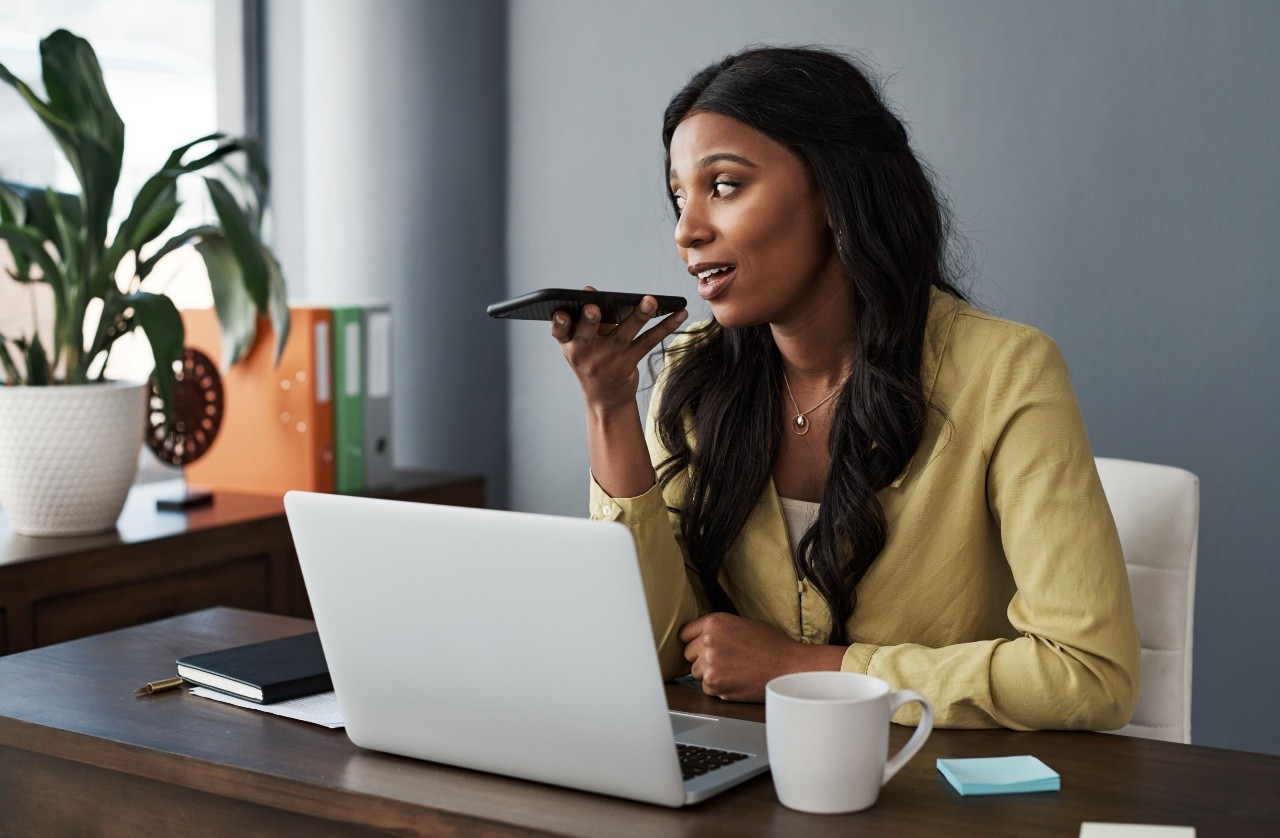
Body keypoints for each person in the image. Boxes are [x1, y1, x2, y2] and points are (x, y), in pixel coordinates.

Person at [550, 46, 1140, 730]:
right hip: (753, 787)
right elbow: (650, 651)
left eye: (725, 186)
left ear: (833, 192)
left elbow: (1091, 674)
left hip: (933, 793)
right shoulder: (695, 373)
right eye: (679, 195)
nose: (687, 231)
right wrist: (609, 406)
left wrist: (811, 670)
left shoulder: (1006, 372)